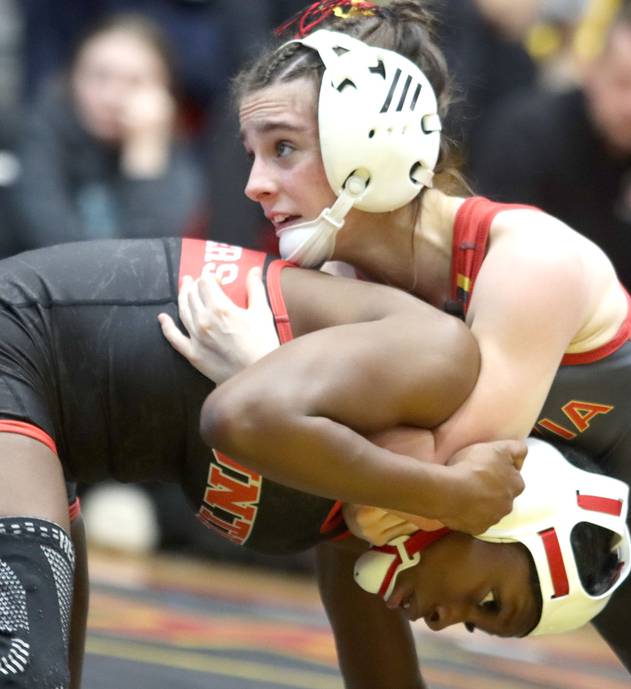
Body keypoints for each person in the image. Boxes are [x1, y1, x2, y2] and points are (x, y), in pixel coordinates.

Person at [197, 0, 631, 686]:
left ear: (370, 142)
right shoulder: (353, 291)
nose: (255, 184)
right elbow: (357, 526)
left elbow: (418, 495)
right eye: (255, 154)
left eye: (284, 149)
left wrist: (266, 377)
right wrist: (297, 421)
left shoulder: (529, 260)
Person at [0, 235, 530, 687]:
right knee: (25, 673)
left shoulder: (354, 528)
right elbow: (236, 416)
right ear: (502, 514)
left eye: (472, 625)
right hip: (17, 344)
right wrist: (447, 493)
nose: (444, 621)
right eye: (488, 602)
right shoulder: (442, 356)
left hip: (52, 438)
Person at [472, 0, 631, 410]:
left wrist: (616, 330)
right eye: (624, 83)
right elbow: (486, 250)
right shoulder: (525, 132)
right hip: (526, 312)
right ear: (592, 70)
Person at [11, 13, 204, 249]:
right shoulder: (42, 130)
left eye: (135, 82)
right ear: (72, 78)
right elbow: (52, 243)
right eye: (100, 77)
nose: (112, 97)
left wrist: (144, 154)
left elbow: (149, 256)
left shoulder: (171, 150)